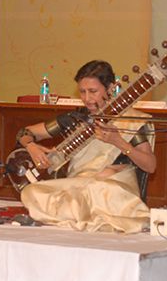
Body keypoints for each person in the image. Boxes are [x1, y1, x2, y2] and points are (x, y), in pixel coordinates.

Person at [18, 60, 154, 233]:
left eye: (93, 91)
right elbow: (25, 132)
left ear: (110, 88)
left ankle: (79, 215)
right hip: (79, 185)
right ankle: (82, 215)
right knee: (31, 192)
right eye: (82, 92)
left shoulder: (130, 121)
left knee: (96, 189)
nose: (87, 98)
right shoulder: (75, 119)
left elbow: (150, 165)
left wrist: (118, 141)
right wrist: (31, 146)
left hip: (111, 189)